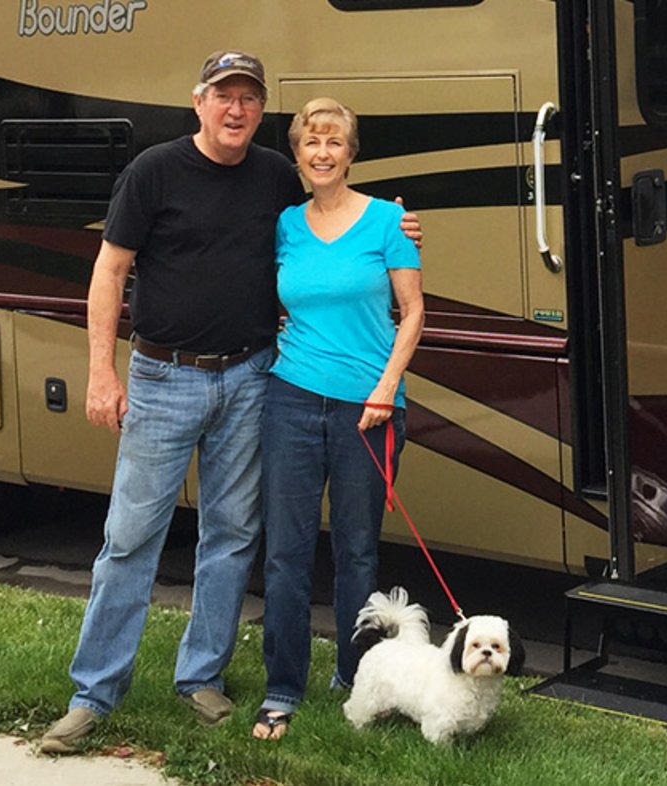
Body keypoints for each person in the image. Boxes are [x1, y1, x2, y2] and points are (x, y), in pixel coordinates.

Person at [42, 54, 420, 754]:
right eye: (224, 96)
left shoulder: (276, 174)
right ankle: (93, 694)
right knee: (130, 539)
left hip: (251, 378)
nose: (236, 109)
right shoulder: (153, 171)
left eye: (249, 98)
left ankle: (201, 678)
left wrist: (400, 227)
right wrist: (101, 369)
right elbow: (110, 270)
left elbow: (330, 218)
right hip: (163, 377)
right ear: (198, 102)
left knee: (230, 538)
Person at [252, 98, 425, 740]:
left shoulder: (389, 222)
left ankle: (357, 680)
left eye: (334, 142)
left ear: (352, 154)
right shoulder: (286, 226)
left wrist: (385, 391)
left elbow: (413, 313)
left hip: (369, 408)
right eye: (310, 142)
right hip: (290, 400)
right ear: (296, 155)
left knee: (356, 554)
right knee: (286, 554)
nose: (322, 152)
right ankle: (282, 688)